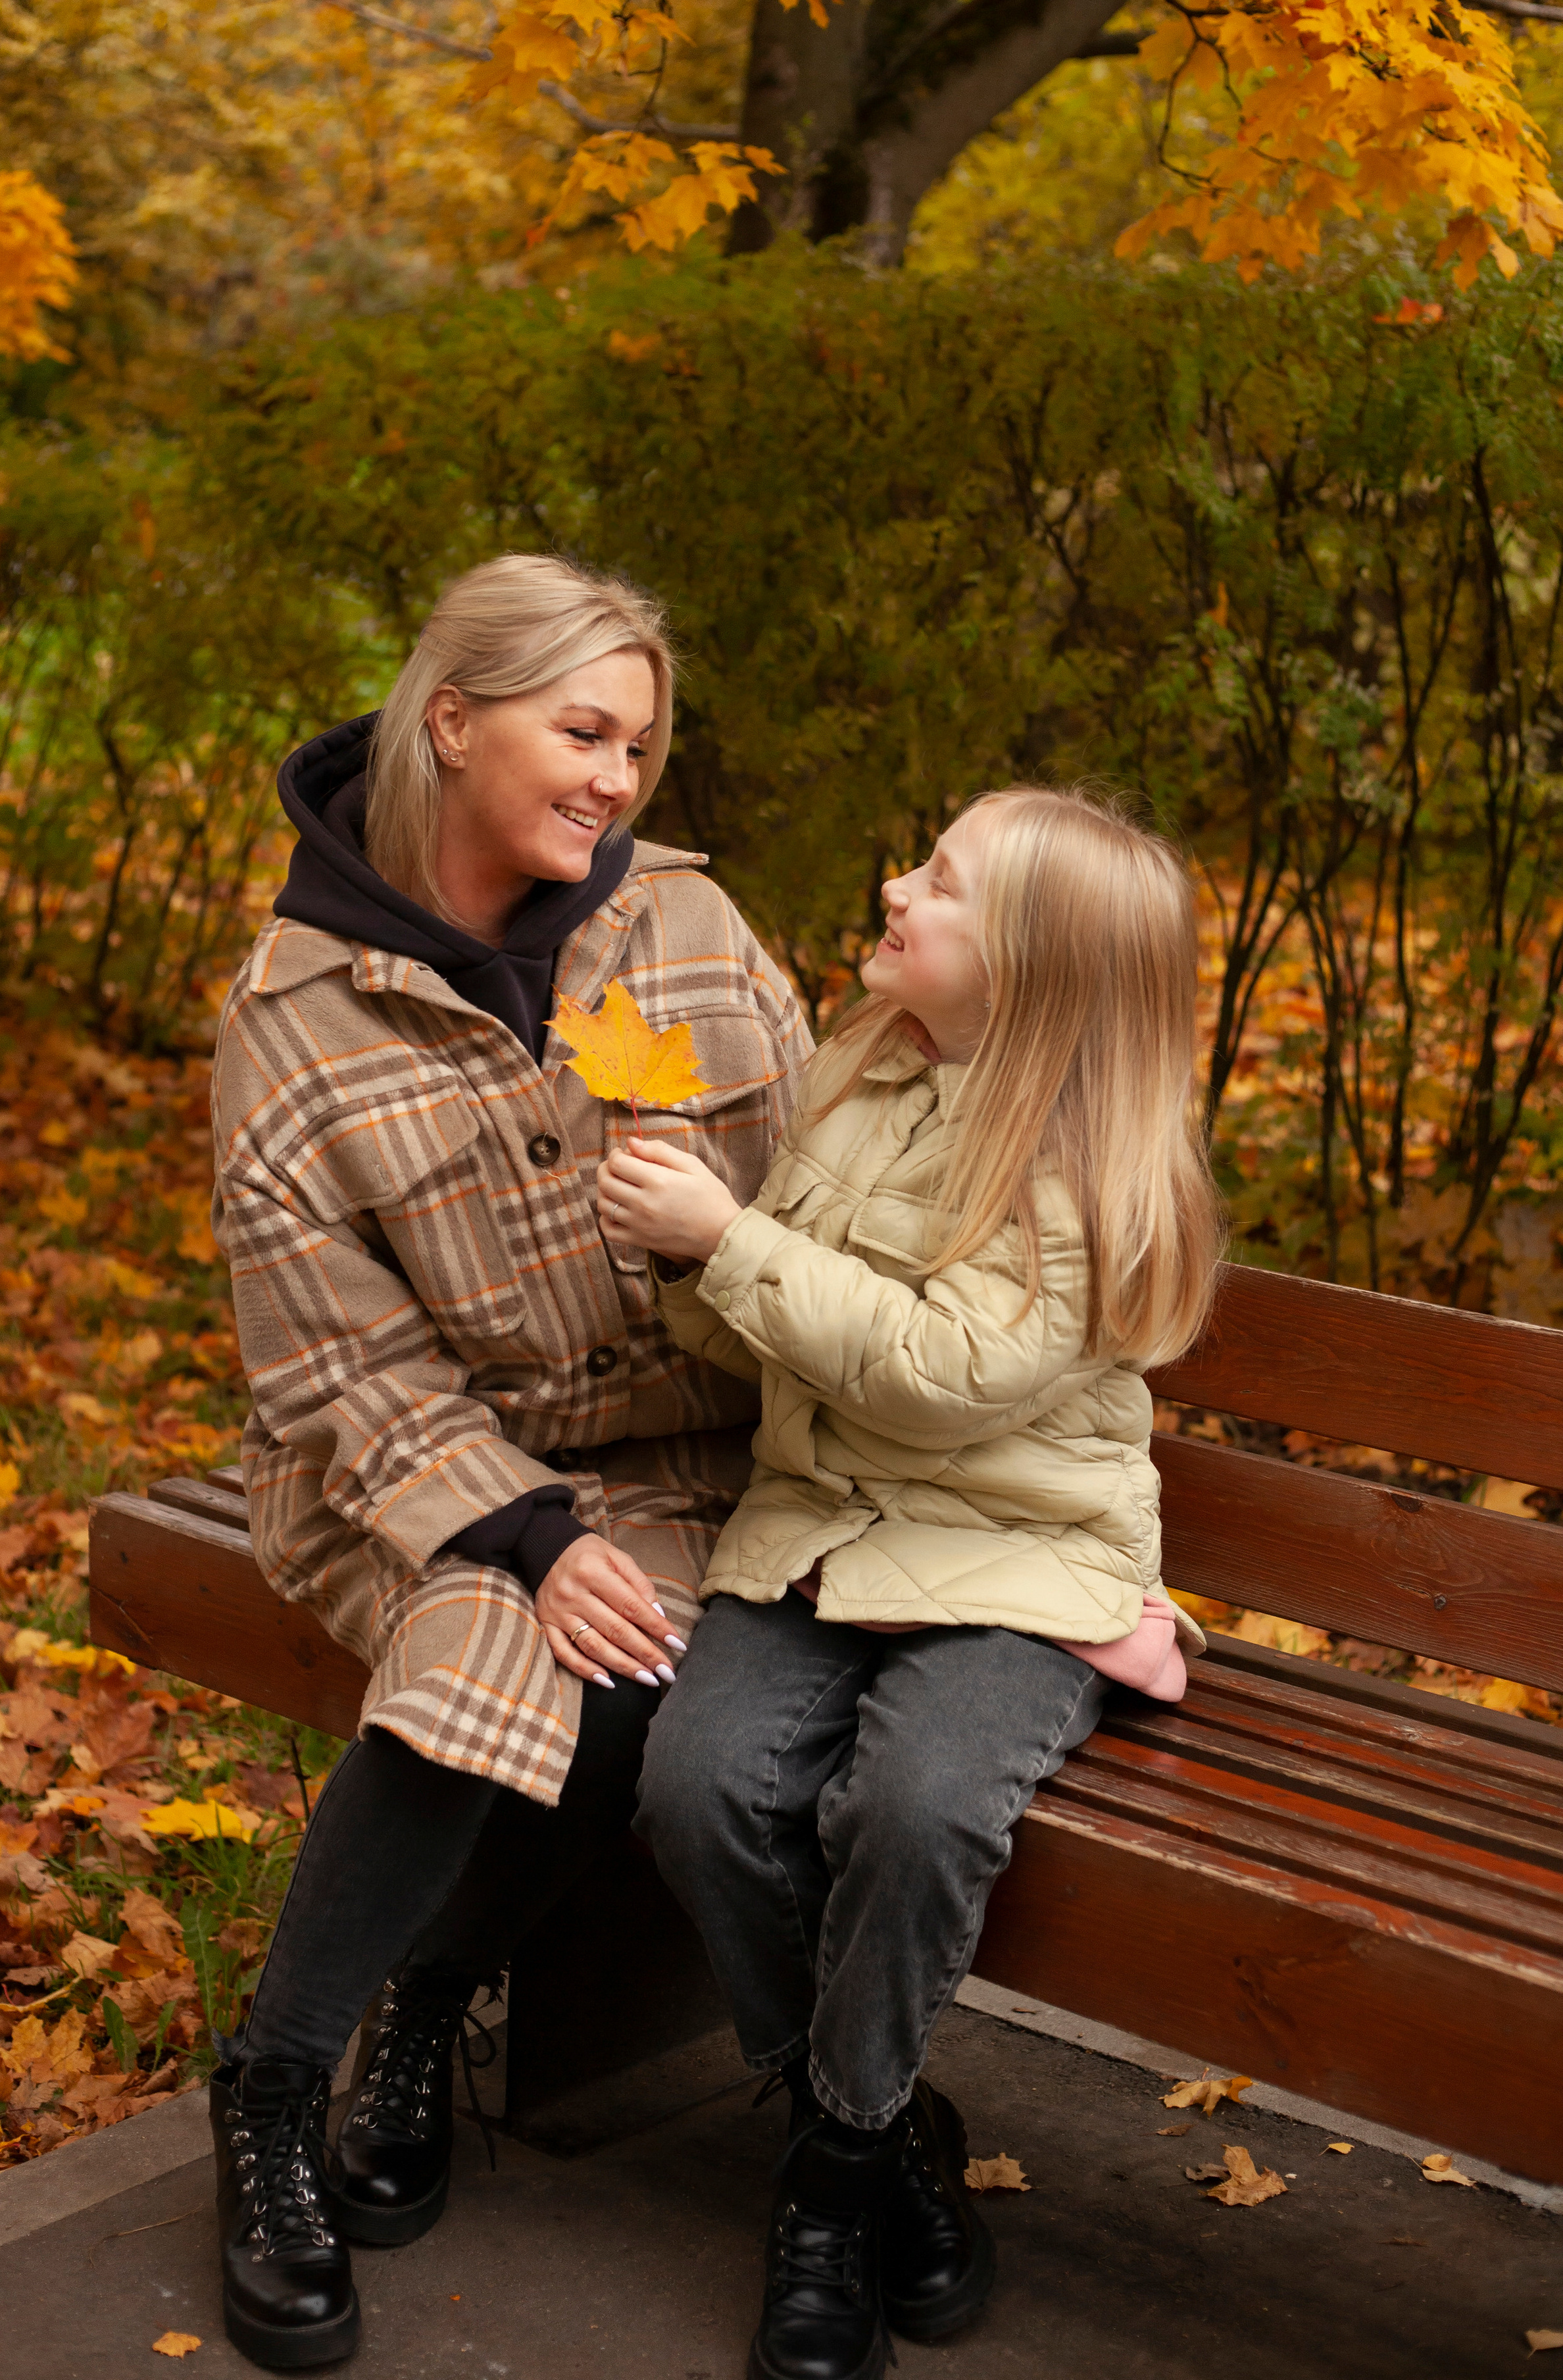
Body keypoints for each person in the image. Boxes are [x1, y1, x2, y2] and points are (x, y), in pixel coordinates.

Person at [209, 552, 811, 2370]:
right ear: (454, 721)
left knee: (647, 1669)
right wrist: (529, 1533)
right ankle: (272, 2094)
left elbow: (828, 1192)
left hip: (700, 1460)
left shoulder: (690, 935)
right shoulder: (297, 1021)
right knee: (500, 1640)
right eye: (584, 732)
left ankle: (438, 1994)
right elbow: (338, 1360)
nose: (619, 781)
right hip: (420, 1474)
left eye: (638, 745)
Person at [598, 786, 1223, 2380]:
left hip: (1017, 1564)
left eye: (934, 882)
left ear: (1024, 968)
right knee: (698, 1782)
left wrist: (727, 1241)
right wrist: (687, 1263)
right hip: (819, 1527)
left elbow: (946, 1379)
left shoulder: (1084, 1162)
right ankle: (889, 2147)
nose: (893, 885)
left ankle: (834, 2183)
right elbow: (771, 1336)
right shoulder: (858, 1069)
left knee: (918, 1805)